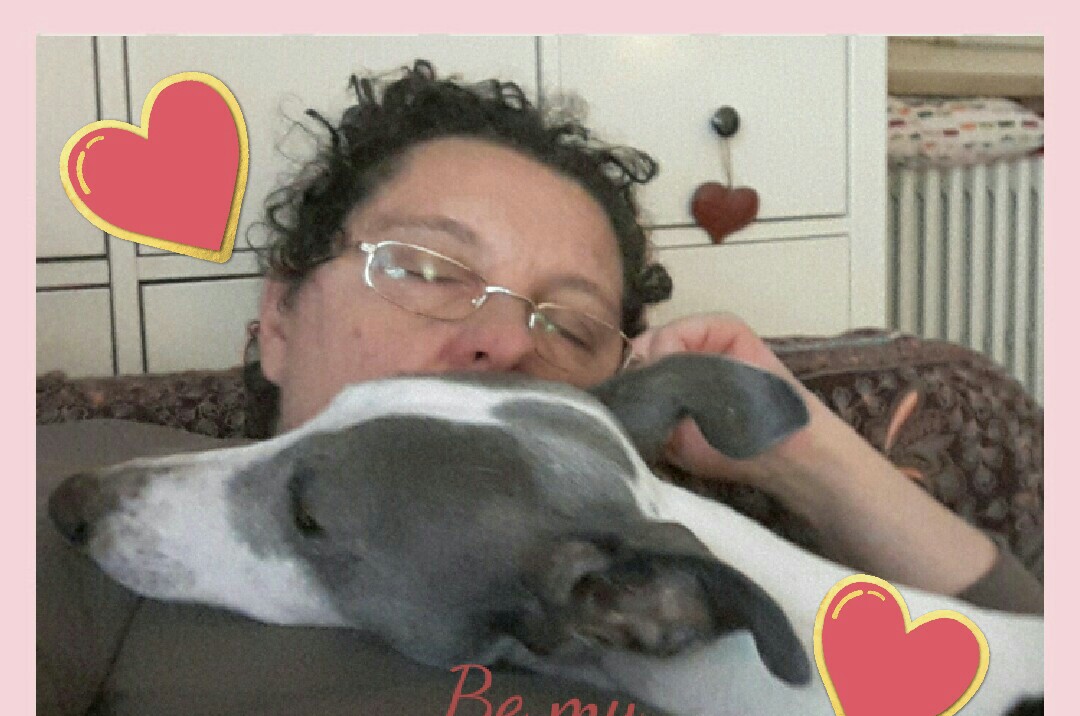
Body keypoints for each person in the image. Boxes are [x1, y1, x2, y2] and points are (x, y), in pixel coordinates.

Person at [244, 60, 1040, 610]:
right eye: (428, 270)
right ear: (280, 317)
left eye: (568, 324)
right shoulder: (158, 564)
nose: (509, 342)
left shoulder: (663, 602)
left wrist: (798, 452)